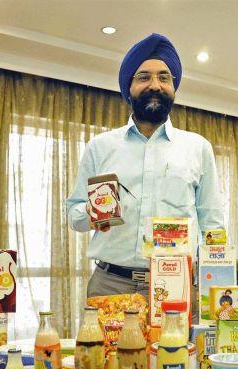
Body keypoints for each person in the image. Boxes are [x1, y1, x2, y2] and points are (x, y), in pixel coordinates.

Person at [66, 33, 225, 301]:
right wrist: (96, 212)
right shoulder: (100, 147)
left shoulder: (198, 147)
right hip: (110, 284)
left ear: (173, 87)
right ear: (128, 87)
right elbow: (74, 215)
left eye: (164, 77)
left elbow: (213, 224)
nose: (155, 85)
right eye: (143, 77)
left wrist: (215, 280)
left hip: (176, 283)